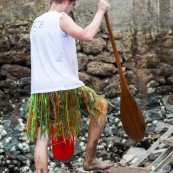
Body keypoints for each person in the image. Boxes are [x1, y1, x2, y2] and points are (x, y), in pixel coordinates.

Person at [26, 0, 113, 172]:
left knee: (42, 138)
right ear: (66, 1)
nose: (72, 8)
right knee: (100, 107)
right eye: (72, 4)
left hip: (40, 90)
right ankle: (90, 160)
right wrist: (100, 12)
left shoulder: (37, 22)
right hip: (64, 85)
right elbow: (87, 35)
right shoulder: (61, 18)